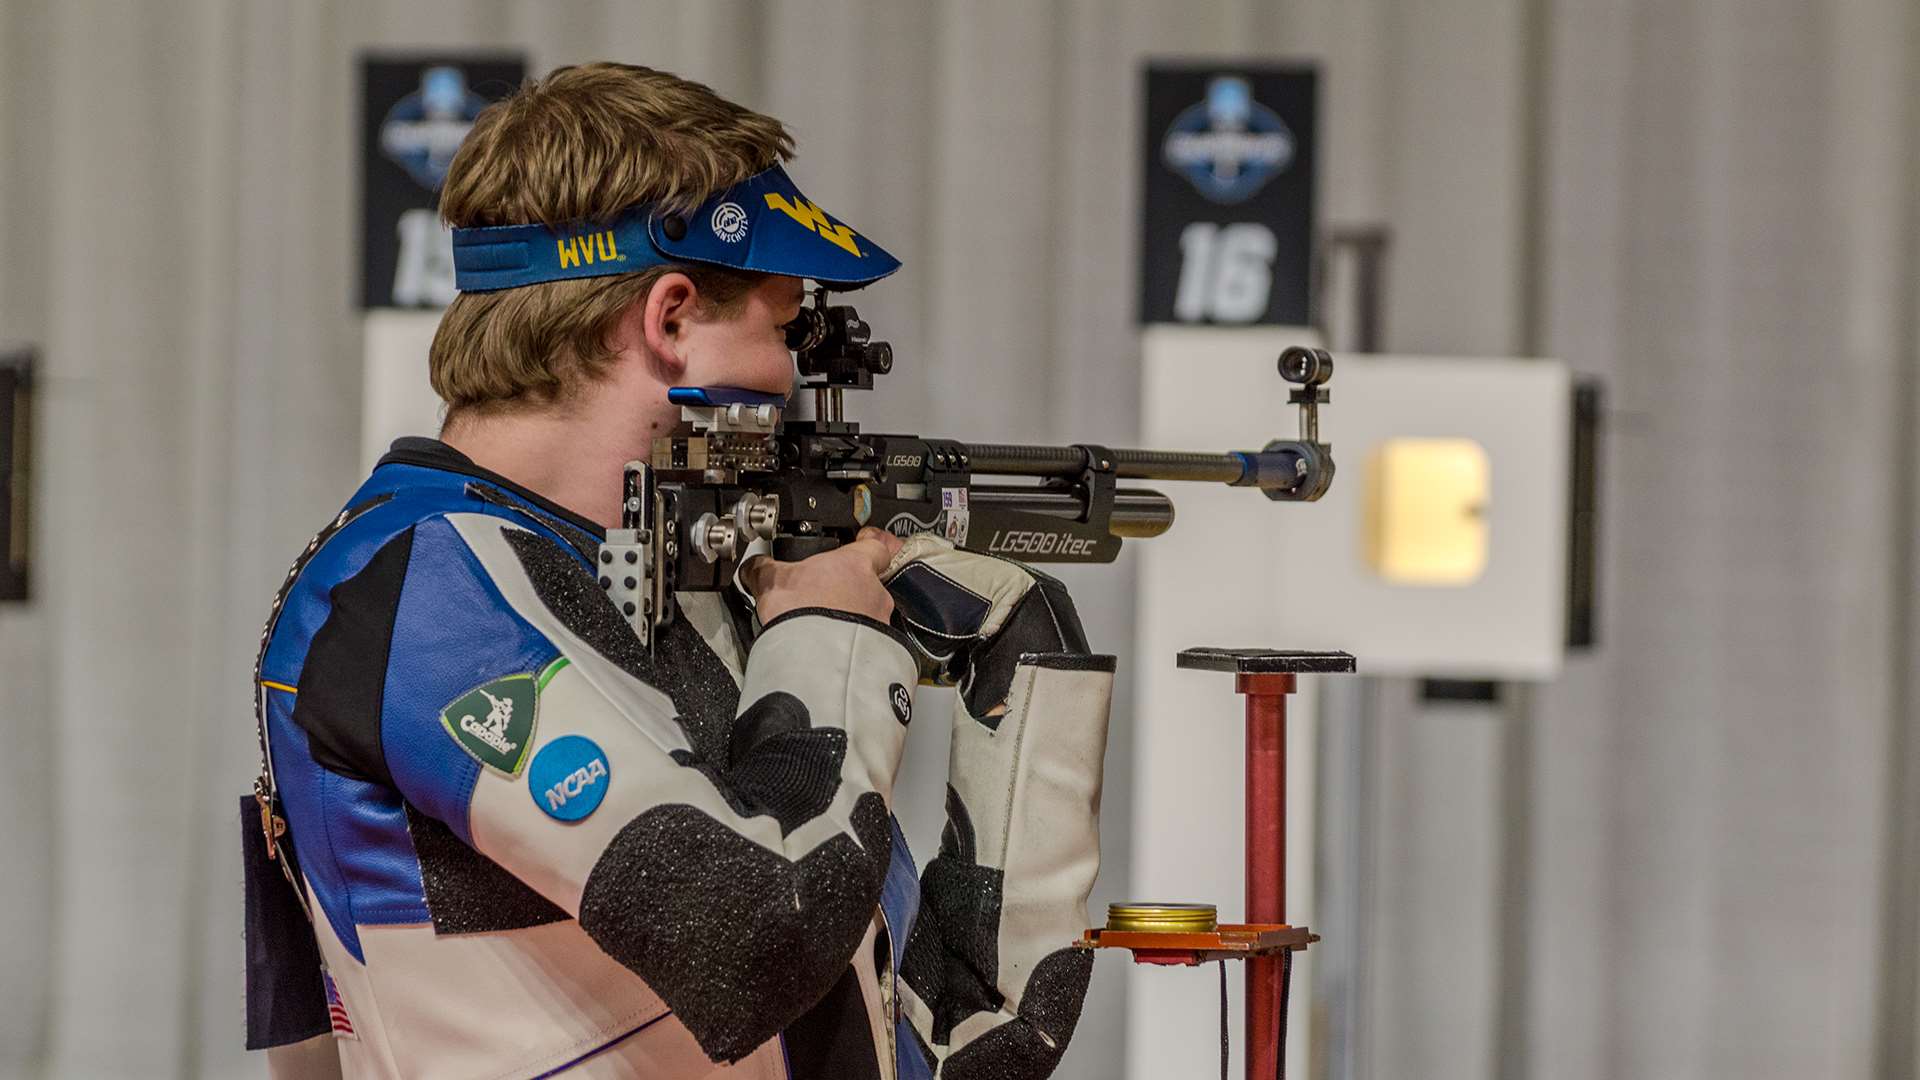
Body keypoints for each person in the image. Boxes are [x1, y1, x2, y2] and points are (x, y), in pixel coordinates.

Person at [243, 63, 1114, 1080]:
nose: (792, 378)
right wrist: (831, 640)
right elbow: (758, 941)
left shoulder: (622, 577)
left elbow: (945, 1049)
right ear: (669, 316)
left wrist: (1027, 674)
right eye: (784, 330)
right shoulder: (420, 586)